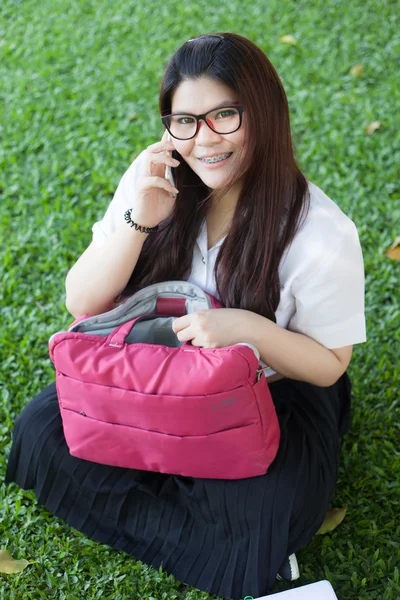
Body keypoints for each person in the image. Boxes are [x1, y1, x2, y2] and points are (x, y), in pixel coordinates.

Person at [5, 32, 366, 600]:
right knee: (41, 436)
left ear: (264, 114)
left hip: (270, 393)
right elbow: (83, 302)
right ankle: (236, 550)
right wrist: (138, 220)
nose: (205, 140)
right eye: (185, 121)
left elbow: (328, 366)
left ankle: (240, 536)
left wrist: (248, 330)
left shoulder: (320, 231)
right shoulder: (154, 178)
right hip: (154, 375)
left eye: (225, 115)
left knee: (269, 503)